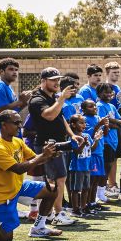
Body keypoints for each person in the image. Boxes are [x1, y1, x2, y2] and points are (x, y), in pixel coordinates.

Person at [0, 109, 63, 241]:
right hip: (0, 195)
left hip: (17, 187)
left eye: (20, 122)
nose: (20, 126)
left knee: (52, 190)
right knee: (4, 239)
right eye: (16, 123)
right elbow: (17, 169)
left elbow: (34, 158)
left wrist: (50, 155)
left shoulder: (17, 141)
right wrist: (43, 156)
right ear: (3, 125)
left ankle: (39, 228)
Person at [27, 67, 82, 228]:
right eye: (53, 80)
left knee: (58, 178)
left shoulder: (52, 97)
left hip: (58, 143)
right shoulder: (38, 99)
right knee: (57, 179)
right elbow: (49, 115)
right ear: (43, 81)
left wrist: (72, 135)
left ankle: (51, 213)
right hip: (47, 144)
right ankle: (57, 214)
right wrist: (62, 99)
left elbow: (61, 118)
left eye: (58, 79)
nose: (57, 82)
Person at [0, 58, 33, 145]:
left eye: (16, 70)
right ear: (1, 71)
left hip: (10, 130)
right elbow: (0, 111)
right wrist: (19, 101)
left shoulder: (7, 86)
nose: (14, 72)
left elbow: (14, 110)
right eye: (11, 69)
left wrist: (24, 102)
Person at [95, 83, 121, 202]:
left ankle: (102, 190)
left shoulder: (111, 106)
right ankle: (100, 191)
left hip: (113, 140)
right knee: (105, 167)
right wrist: (114, 123)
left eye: (110, 92)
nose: (108, 94)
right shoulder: (100, 106)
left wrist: (114, 122)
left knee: (109, 165)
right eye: (105, 92)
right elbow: (103, 122)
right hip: (105, 141)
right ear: (99, 94)